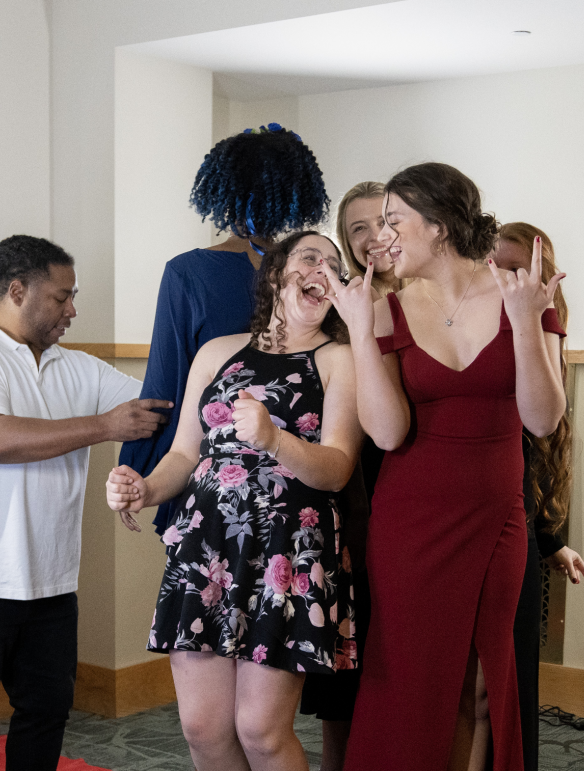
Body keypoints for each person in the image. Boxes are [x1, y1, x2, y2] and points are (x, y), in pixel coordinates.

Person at [328, 163, 567, 771]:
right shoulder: (385, 309)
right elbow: (386, 431)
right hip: (409, 521)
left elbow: (542, 420)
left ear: (438, 226)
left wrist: (523, 325)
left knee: (484, 683)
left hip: (494, 518)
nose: (379, 237)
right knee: (414, 679)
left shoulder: (523, 295)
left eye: (393, 222)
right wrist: (359, 330)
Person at [0, 235, 172, 771]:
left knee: (47, 714)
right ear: (15, 290)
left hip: (50, 581)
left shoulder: (78, 368)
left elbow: (154, 407)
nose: (72, 310)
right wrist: (104, 427)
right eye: (61, 297)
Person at [107, 232, 361, 771]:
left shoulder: (341, 359)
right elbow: (183, 454)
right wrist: (146, 489)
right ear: (274, 274)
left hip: (287, 553)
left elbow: (337, 469)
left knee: (261, 731)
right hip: (206, 546)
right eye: (310, 257)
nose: (324, 269)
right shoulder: (217, 352)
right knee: (202, 728)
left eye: (335, 266)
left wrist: (274, 439)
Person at [120, 123, 331, 538]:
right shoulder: (314, 273)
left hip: (212, 482)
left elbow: (166, 388)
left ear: (219, 191)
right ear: (298, 194)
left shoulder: (189, 273)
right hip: (304, 478)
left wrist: (138, 472)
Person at [468, 222, 584, 771]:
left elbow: (540, 448)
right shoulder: (460, 322)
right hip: (445, 520)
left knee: (497, 682)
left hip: (509, 528)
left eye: (519, 269)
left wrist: (551, 540)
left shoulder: (539, 328)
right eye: (494, 266)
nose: (506, 279)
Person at [300, 180, 395, 771]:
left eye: (380, 223)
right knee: (348, 659)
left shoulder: (431, 297)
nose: (370, 237)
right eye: (355, 228)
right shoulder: (333, 313)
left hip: (409, 477)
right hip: (350, 489)